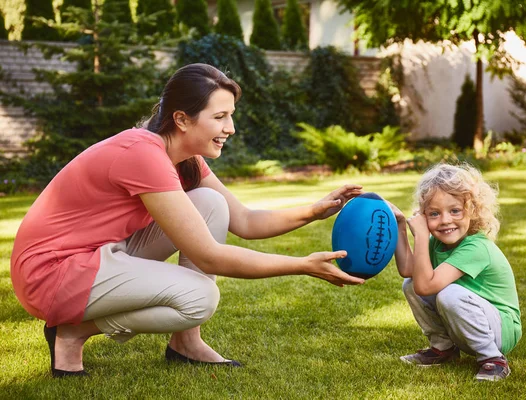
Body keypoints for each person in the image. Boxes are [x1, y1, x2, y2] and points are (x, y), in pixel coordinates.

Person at [10, 63, 365, 378]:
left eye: (231, 115)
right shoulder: (142, 153)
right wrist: (302, 265)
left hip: (98, 255)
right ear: (181, 119)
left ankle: (186, 343)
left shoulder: (184, 157)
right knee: (199, 298)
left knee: (210, 203)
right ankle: (72, 332)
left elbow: (244, 220)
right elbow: (209, 257)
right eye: (220, 116)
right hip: (52, 273)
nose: (231, 128)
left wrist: (316, 210)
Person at [389, 163, 521, 382]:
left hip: (501, 328)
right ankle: (444, 349)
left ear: (473, 210)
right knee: (411, 284)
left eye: (455, 210)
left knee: (447, 294)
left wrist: (421, 236)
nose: (445, 220)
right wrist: (401, 226)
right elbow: (409, 272)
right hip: (472, 316)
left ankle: (494, 359)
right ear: (423, 216)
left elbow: (427, 287)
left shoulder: (476, 247)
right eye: (434, 213)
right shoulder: (437, 243)